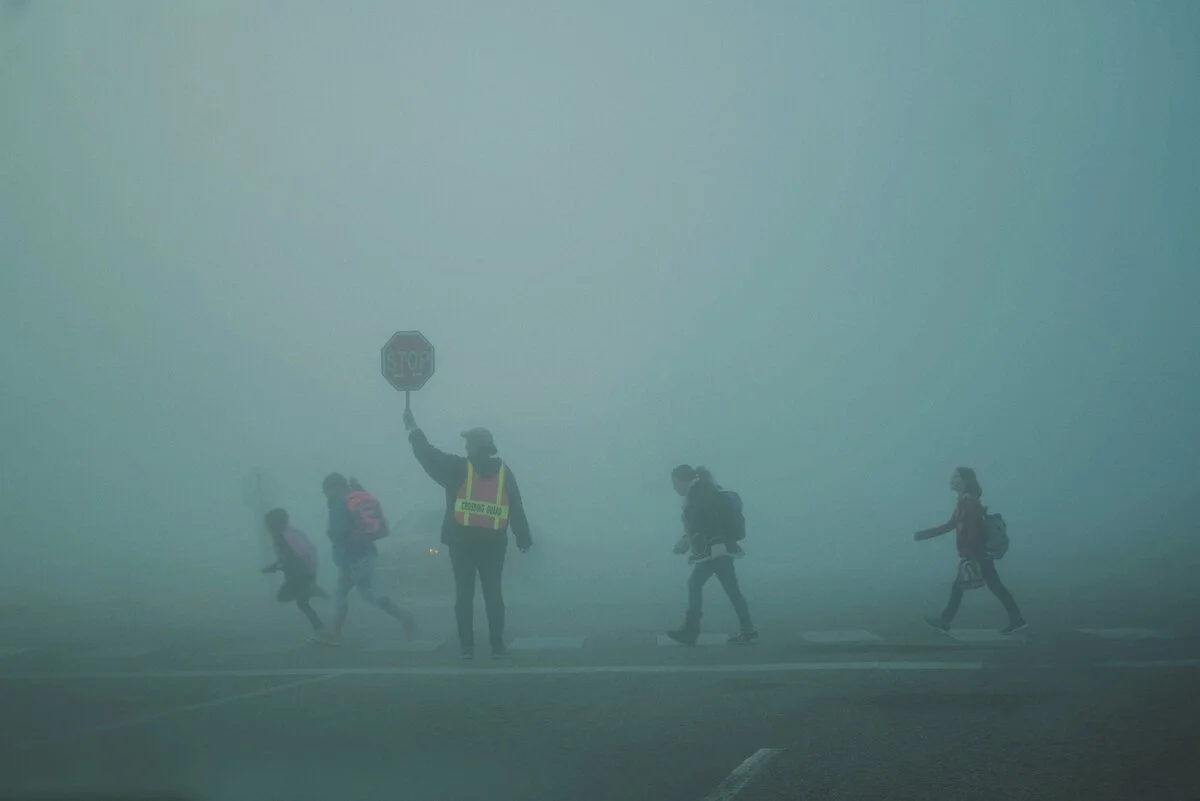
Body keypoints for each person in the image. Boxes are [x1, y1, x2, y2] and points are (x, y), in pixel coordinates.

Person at [402, 409, 532, 661]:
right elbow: (515, 504)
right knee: (493, 594)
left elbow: (429, 457)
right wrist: (522, 536)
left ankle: (467, 649)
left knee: (464, 594)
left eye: (468, 442)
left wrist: (413, 430)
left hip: (462, 541)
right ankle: (497, 647)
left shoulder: (460, 468)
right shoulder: (504, 471)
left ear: (475, 446)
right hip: (494, 542)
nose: (465, 445)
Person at [914, 466, 1027, 634]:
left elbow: (974, 528)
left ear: (965, 480)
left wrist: (973, 552)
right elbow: (951, 525)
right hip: (978, 553)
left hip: (977, 553)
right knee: (989, 585)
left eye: (956, 477)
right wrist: (924, 535)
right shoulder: (965, 501)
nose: (952, 480)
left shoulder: (968, 502)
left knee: (968, 586)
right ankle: (1016, 618)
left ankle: (945, 621)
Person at [321, 472, 417, 645]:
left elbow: (338, 531)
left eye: (326, 492)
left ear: (331, 488)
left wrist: (332, 535)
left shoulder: (338, 501)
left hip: (352, 558)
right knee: (340, 594)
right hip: (361, 555)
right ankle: (335, 632)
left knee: (372, 594)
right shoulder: (356, 498)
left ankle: (404, 616)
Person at [666, 464, 757, 646]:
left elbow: (712, 520)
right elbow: (700, 524)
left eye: (675, 483)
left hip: (714, 551)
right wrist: (686, 541)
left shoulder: (700, 493)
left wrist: (717, 546)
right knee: (732, 590)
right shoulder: (701, 491)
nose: (674, 488)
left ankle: (691, 631)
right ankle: (748, 629)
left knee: (695, 584)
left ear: (683, 480)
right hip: (717, 549)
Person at [260, 508, 328, 636]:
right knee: (302, 603)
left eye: (269, 526)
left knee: (288, 598)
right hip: (304, 572)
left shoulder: (285, 538)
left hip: (301, 573)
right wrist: (274, 567)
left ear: (276, 525)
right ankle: (321, 629)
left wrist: (275, 568)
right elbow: (286, 558)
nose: (267, 529)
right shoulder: (286, 535)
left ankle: (321, 628)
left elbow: (294, 558)